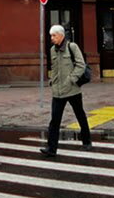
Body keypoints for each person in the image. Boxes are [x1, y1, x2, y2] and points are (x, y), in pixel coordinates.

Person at [40, 24, 93, 157]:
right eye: (51, 36)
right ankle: (51, 149)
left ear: (61, 35)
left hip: (73, 90)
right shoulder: (52, 50)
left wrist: (71, 80)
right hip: (57, 91)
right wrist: (52, 80)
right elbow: (55, 69)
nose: (52, 38)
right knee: (54, 120)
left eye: (54, 35)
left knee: (80, 115)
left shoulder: (72, 47)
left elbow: (81, 65)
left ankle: (87, 142)